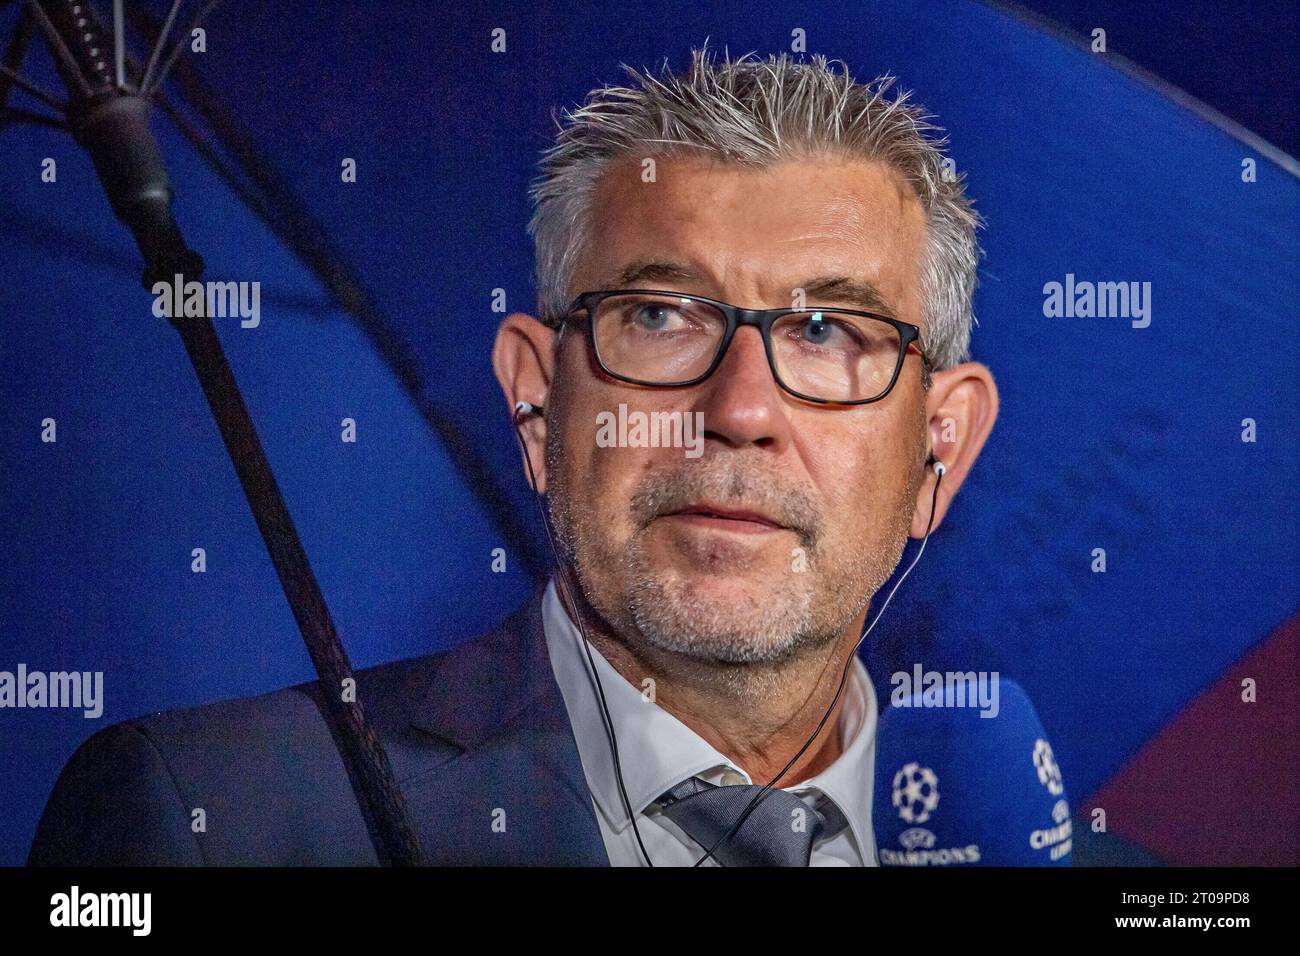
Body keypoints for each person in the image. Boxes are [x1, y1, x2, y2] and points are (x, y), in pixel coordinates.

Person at [29, 47, 997, 867]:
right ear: (536, 402)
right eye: (657, 316)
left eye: (827, 330)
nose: (740, 407)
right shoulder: (211, 819)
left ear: (938, 448)